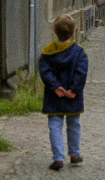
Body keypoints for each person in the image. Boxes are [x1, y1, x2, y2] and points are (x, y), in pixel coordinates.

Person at [39, 14, 88, 171]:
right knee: (74, 124)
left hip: (55, 95)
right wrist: (74, 89)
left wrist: (55, 87)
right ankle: (74, 154)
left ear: (55, 32)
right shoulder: (79, 53)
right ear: (73, 31)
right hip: (73, 96)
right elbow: (81, 73)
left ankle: (58, 158)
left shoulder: (47, 52)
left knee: (55, 124)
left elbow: (45, 72)